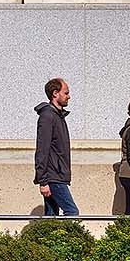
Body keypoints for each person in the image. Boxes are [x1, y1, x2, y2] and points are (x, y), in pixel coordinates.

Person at [34, 76, 76, 216]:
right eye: (66, 93)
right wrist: (43, 181)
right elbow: (42, 150)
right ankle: (68, 238)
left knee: (51, 215)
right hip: (53, 176)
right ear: (55, 94)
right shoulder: (48, 116)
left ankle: (45, 238)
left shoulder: (57, 116)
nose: (68, 97)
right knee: (72, 212)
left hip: (56, 174)